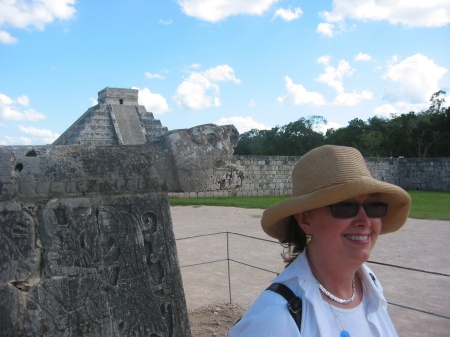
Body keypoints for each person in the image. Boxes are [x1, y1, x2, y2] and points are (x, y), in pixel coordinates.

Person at [228, 145, 411, 337]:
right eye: (345, 207)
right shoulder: (275, 318)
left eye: (373, 206)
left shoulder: (369, 284)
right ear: (306, 220)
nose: (364, 221)